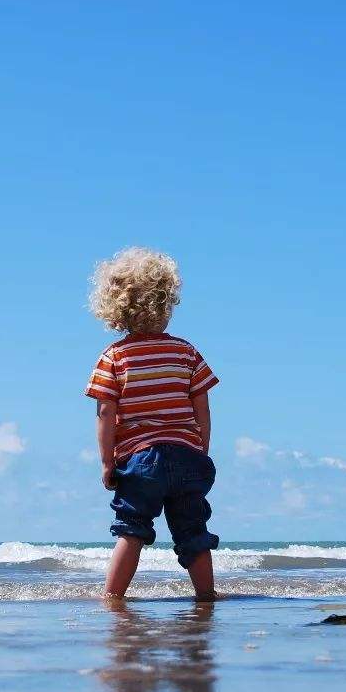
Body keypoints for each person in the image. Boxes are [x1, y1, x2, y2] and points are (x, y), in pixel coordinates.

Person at [85, 247, 219, 600]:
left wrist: (107, 462)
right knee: (193, 532)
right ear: (167, 303)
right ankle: (206, 597)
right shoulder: (186, 352)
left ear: (116, 309)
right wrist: (201, 447)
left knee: (131, 530)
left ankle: (113, 598)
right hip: (188, 457)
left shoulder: (114, 357)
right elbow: (201, 405)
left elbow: (106, 414)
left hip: (141, 461)